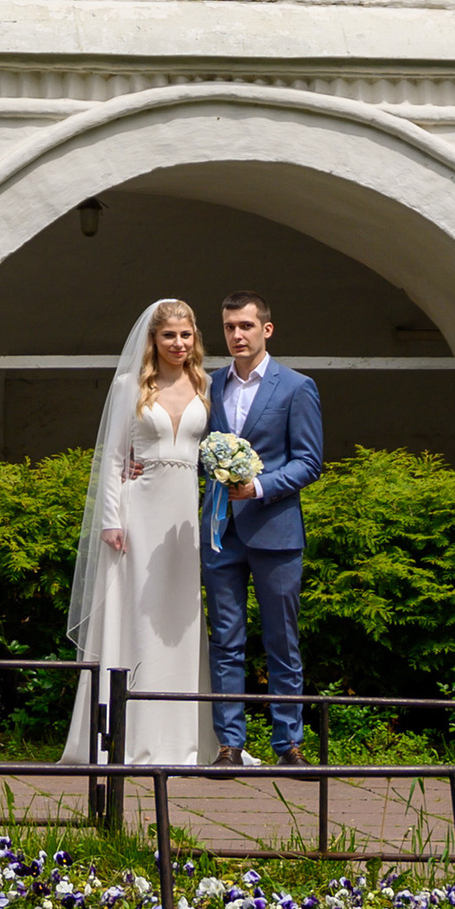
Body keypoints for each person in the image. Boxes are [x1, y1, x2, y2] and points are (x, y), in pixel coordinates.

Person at [60, 298, 212, 770]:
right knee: (137, 615)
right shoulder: (131, 386)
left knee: (181, 619)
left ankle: (181, 739)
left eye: (186, 335)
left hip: (185, 515)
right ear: (153, 340)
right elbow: (112, 457)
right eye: (170, 336)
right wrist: (111, 518)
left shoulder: (204, 383)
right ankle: (129, 737)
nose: (179, 344)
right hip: (139, 509)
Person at [200, 291, 323, 769]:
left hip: (275, 529)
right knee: (225, 639)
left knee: (281, 640)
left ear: (266, 329)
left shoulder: (296, 387)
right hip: (219, 531)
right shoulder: (209, 386)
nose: (237, 335)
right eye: (230, 327)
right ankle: (229, 744)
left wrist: (259, 486)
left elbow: (309, 462)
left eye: (246, 326)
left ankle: (288, 746)